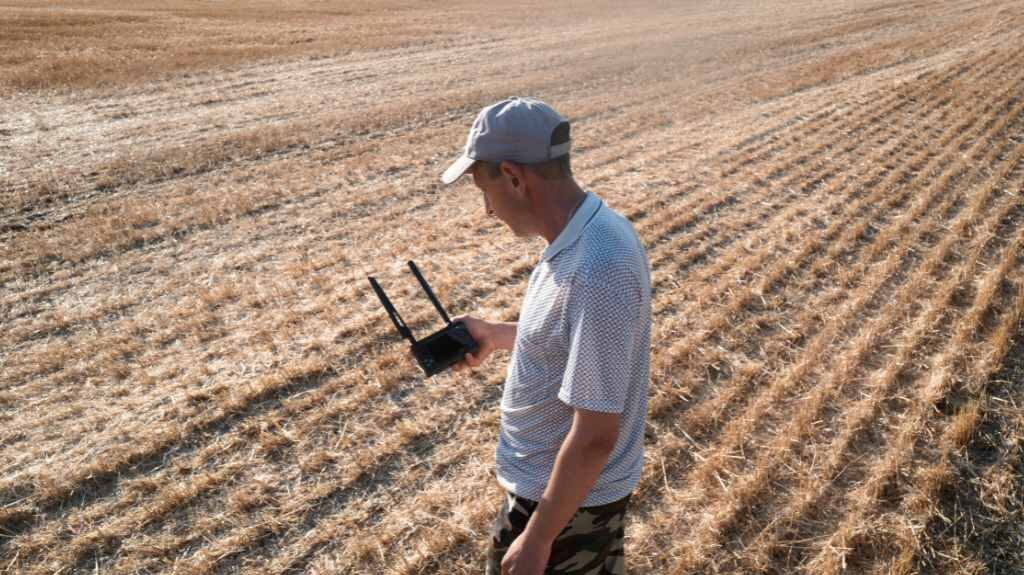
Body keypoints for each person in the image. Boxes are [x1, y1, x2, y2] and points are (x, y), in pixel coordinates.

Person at [438, 97, 652, 575]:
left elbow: (595, 436)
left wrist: (538, 539)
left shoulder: (597, 268)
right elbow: (576, 339)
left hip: (563, 507)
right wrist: (495, 334)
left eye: (484, 190)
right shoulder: (588, 233)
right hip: (564, 499)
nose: (486, 210)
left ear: (514, 177)